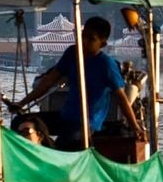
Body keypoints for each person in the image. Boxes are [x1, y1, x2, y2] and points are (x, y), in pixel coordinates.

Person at [9, 15, 145, 150]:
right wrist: (22, 103)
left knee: (65, 142)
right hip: (65, 116)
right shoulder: (72, 53)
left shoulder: (107, 65)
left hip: (86, 123)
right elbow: (48, 81)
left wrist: (136, 128)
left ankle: (52, 153)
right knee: (19, 122)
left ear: (102, 44)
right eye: (83, 35)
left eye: (91, 39)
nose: (84, 41)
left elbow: (122, 99)